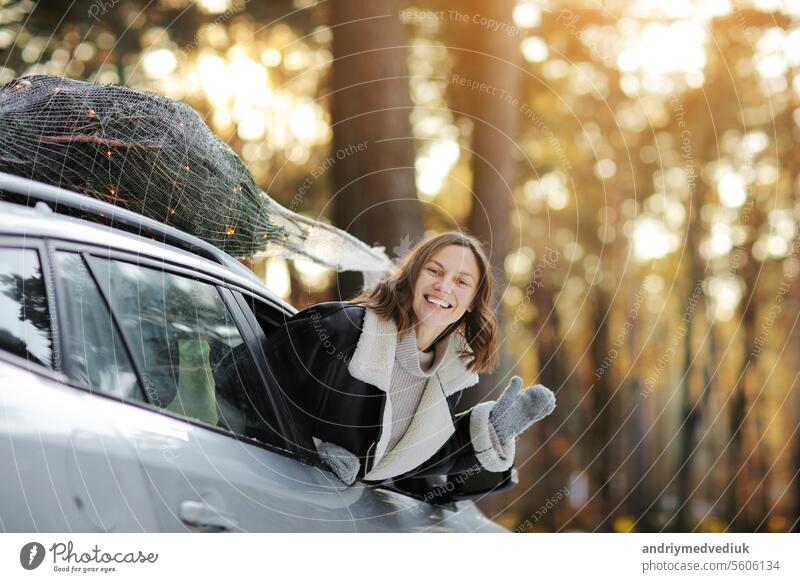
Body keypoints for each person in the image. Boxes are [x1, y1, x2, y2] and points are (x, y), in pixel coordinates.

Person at [266, 231, 556, 487]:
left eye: (461, 281)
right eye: (434, 271)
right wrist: (309, 451)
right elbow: (249, 385)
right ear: (413, 275)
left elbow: (414, 458)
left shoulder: (447, 377)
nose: (444, 286)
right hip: (270, 484)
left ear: (471, 304)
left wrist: (492, 430)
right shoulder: (340, 328)